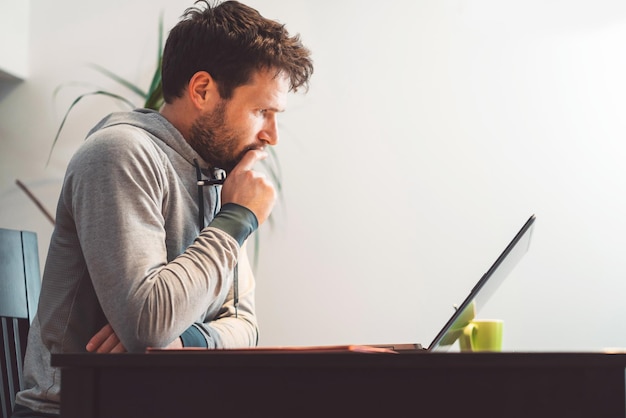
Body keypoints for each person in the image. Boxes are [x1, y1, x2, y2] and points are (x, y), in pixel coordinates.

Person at [12, 1, 313, 416]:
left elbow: (245, 326)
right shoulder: (119, 155)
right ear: (203, 90)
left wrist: (182, 338)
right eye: (262, 111)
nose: (271, 136)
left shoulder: (216, 176)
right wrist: (236, 220)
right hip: (74, 408)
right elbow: (149, 326)